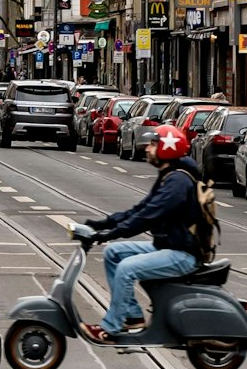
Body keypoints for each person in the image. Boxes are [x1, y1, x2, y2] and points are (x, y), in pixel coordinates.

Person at [80, 124, 206, 342]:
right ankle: (133, 315)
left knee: (127, 268)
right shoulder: (169, 175)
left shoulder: (178, 182)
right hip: (168, 246)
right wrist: (103, 224)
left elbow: (149, 216)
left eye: (153, 144)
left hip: (183, 253)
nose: (147, 148)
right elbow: (141, 209)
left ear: (167, 148)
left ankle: (111, 328)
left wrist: (110, 234)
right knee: (114, 254)